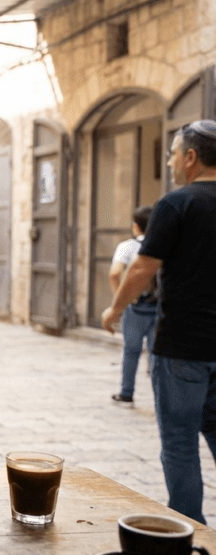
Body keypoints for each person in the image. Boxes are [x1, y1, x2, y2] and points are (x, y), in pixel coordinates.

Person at [102, 119, 216, 524]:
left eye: (171, 153)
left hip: (182, 347)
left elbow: (141, 269)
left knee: (181, 443)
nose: (169, 162)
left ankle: (192, 534)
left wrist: (115, 310)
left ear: (190, 157)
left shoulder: (175, 204)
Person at [108, 205, 157, 404]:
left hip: (135, 306)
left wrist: (120, 299)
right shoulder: (163, 245)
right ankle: (159, 398)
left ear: (135, 227)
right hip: (159, 306)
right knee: (157, 354)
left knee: (131, 350)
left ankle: (126, 393)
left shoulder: (127, 247)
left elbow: (114, 273)